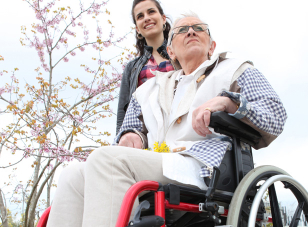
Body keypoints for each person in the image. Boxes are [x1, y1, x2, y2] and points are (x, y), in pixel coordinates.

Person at [46, 13, 287, 227]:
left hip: (205, 166)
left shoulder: (235, 70)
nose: (190, 31)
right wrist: (133, 136)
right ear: (170, 51)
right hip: (160, 161)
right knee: (73, 174)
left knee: (106, 159)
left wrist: (229, 102)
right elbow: (130, 128)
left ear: (212, 46)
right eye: (181, 30)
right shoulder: (149, 88)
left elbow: (275, 115)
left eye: (198, 28)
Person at [116, 0, 174, 134]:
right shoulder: (132, 68)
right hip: (144, 134)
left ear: (163, 18)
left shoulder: (180, 58)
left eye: (151, 12)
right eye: (140, 16)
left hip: (177, 128)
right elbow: (122, 113)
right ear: (137, 28)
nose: (146, 18)